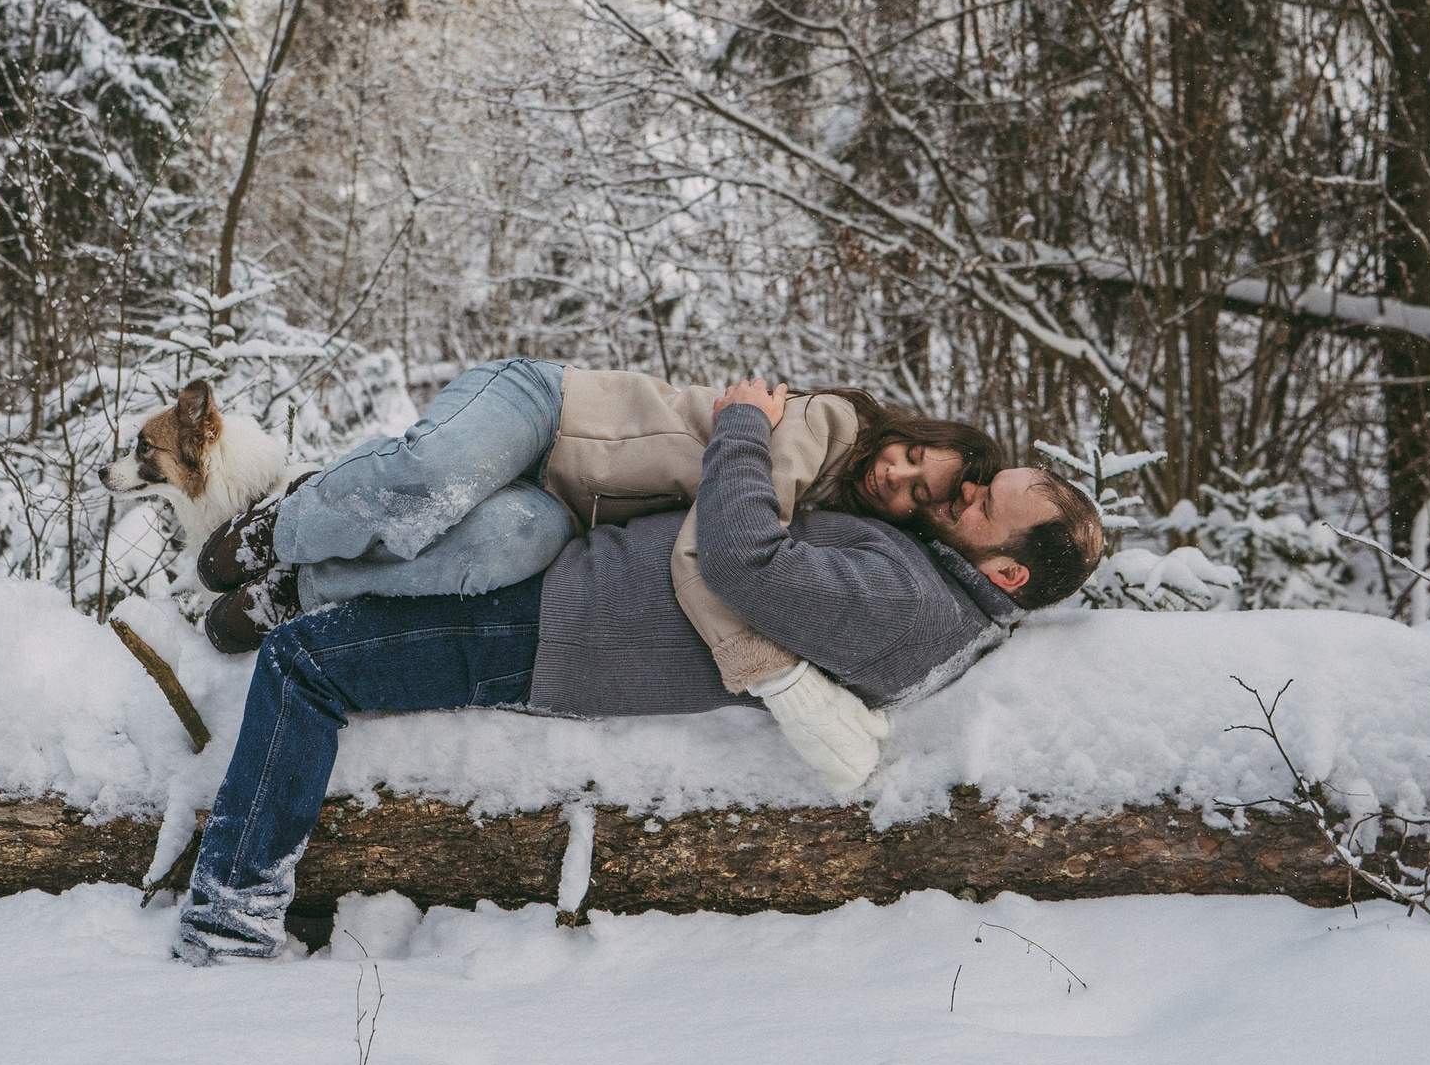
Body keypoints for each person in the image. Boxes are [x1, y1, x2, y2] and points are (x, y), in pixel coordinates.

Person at [171, 377, 1103, 965]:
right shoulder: (924, 576)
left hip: (560, 627)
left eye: (982, 501)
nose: (962, 490)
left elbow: (748, 561)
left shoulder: (910, 605)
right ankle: (291, 556)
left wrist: (742, 425)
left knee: (306, 668)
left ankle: (227, 919)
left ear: (1010, 572)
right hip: (570, 589)